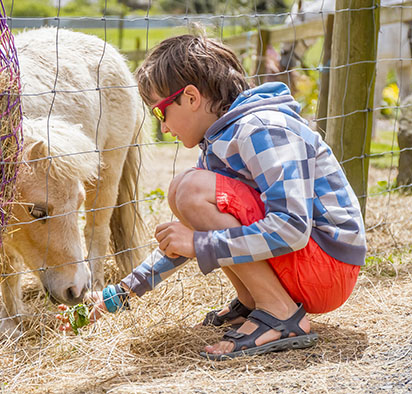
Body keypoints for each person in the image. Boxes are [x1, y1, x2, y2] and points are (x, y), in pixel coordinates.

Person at [57, 33, 366, 361]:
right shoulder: (223, 141)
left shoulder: (262, 129)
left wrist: (200, 244)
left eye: (160, 113)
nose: (162, 128)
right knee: (183, 190)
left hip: (328, 269)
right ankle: (255, 302)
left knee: (188, 190)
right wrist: (119, 294)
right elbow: (188, 240)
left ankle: (279, 313)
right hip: (309, 265)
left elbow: (291, 227)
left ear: (190, 97)